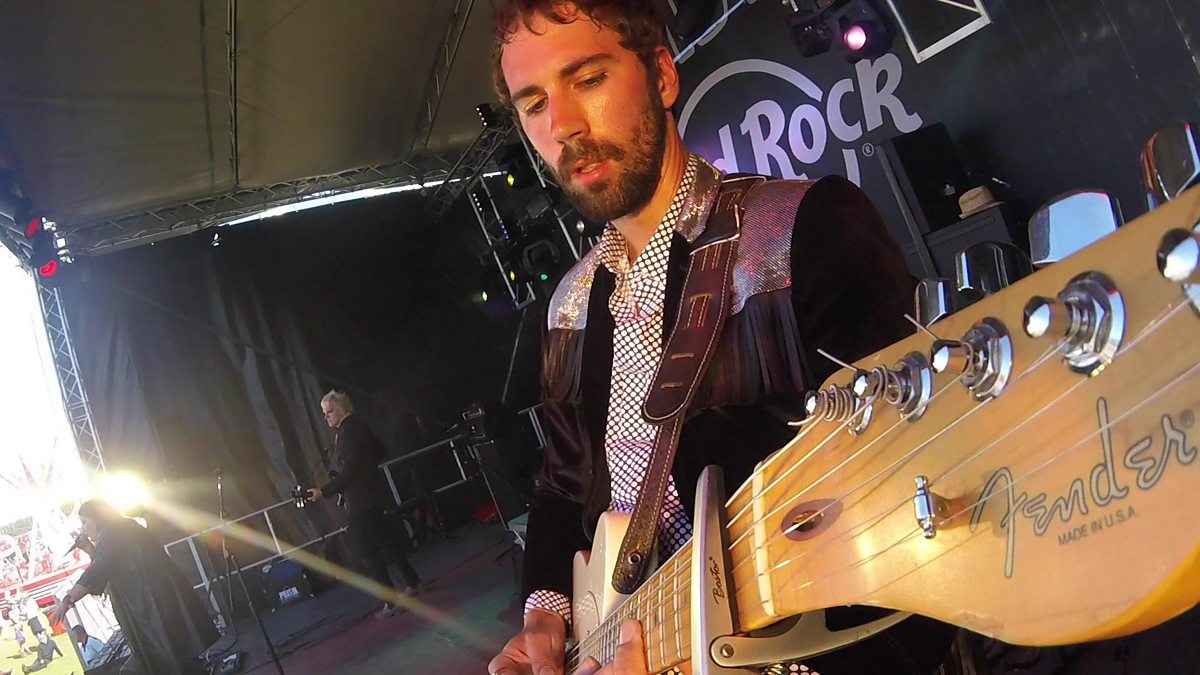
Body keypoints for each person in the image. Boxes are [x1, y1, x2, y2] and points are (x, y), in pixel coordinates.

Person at [487, 2, 959, 674]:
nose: (561, 125)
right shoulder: (568, 304)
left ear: (661, 75)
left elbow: (923, 492)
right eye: (534, 104)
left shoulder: (804, 230)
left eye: (588, 79)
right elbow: (563, 485)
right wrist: (545, 612)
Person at [48, 500, 218, 674]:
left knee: (171, 657)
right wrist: (90, 549)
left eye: (85, 522)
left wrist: (67, 601)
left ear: (97, 517)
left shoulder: (112, 533)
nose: (83, 529)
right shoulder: (120, 528)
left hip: (154, 604)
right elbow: (110, 566)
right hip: (155, 601)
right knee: (177, 656)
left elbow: (98, 570)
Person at [306, 390, 423, 618]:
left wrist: (324, 491)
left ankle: (391, 601)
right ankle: (412, 583)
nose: (326, 416)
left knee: (369, 552)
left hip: (362, 501)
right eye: (324, 412)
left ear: (342, 410)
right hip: (370, 496)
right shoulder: (355, 428)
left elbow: (351, 470)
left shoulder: (349, 431)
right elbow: (378, 451)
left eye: (330, 411)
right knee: (387, 543)